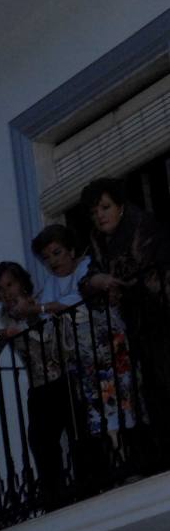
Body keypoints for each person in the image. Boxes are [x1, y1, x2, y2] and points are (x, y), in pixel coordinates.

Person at [0, 261, 79, 503]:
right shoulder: (6, 316)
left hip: (65, 380)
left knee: (77, 434)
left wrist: (23, 317)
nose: (6, 293)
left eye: (10, 284)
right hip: (39, 388)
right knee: (40, 441)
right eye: (0, 289)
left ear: (22, 283)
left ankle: (82, 486)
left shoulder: (41, 301)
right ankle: (55, 495)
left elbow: (44, 336)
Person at [79, 177, 170, 468]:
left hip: (159, 315)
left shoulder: (143, 228)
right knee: (149, 390)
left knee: (163, 377)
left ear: (120, 207)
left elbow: (150, 271)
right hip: (133, 324)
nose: (100, 216)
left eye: (105, 208)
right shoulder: (97, 243)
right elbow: (88, 280)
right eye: (94, 212)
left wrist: (120, 283)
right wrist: (98, 280)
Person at [34, 224, 133, 479]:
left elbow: (78, 299)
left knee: (119, 407)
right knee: (96, 415)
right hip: (82, 360)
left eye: (56, 253)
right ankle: (114, 466)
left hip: (106, 349)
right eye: (46, 258)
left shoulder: (87, 267)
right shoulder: (49, 285)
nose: (52, 262)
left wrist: (44, 309)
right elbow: (45, 317)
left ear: (72, 250)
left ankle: (129, 461)